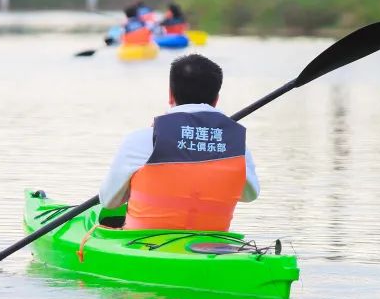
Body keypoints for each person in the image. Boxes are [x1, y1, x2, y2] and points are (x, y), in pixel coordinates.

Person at [99, 54, 260, 231]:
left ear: (170, 94)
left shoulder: (142, 139)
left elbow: (108, 201)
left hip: (141, 246)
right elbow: (250, 195)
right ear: (216, 99)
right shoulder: (236, 144)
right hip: (211, 248)